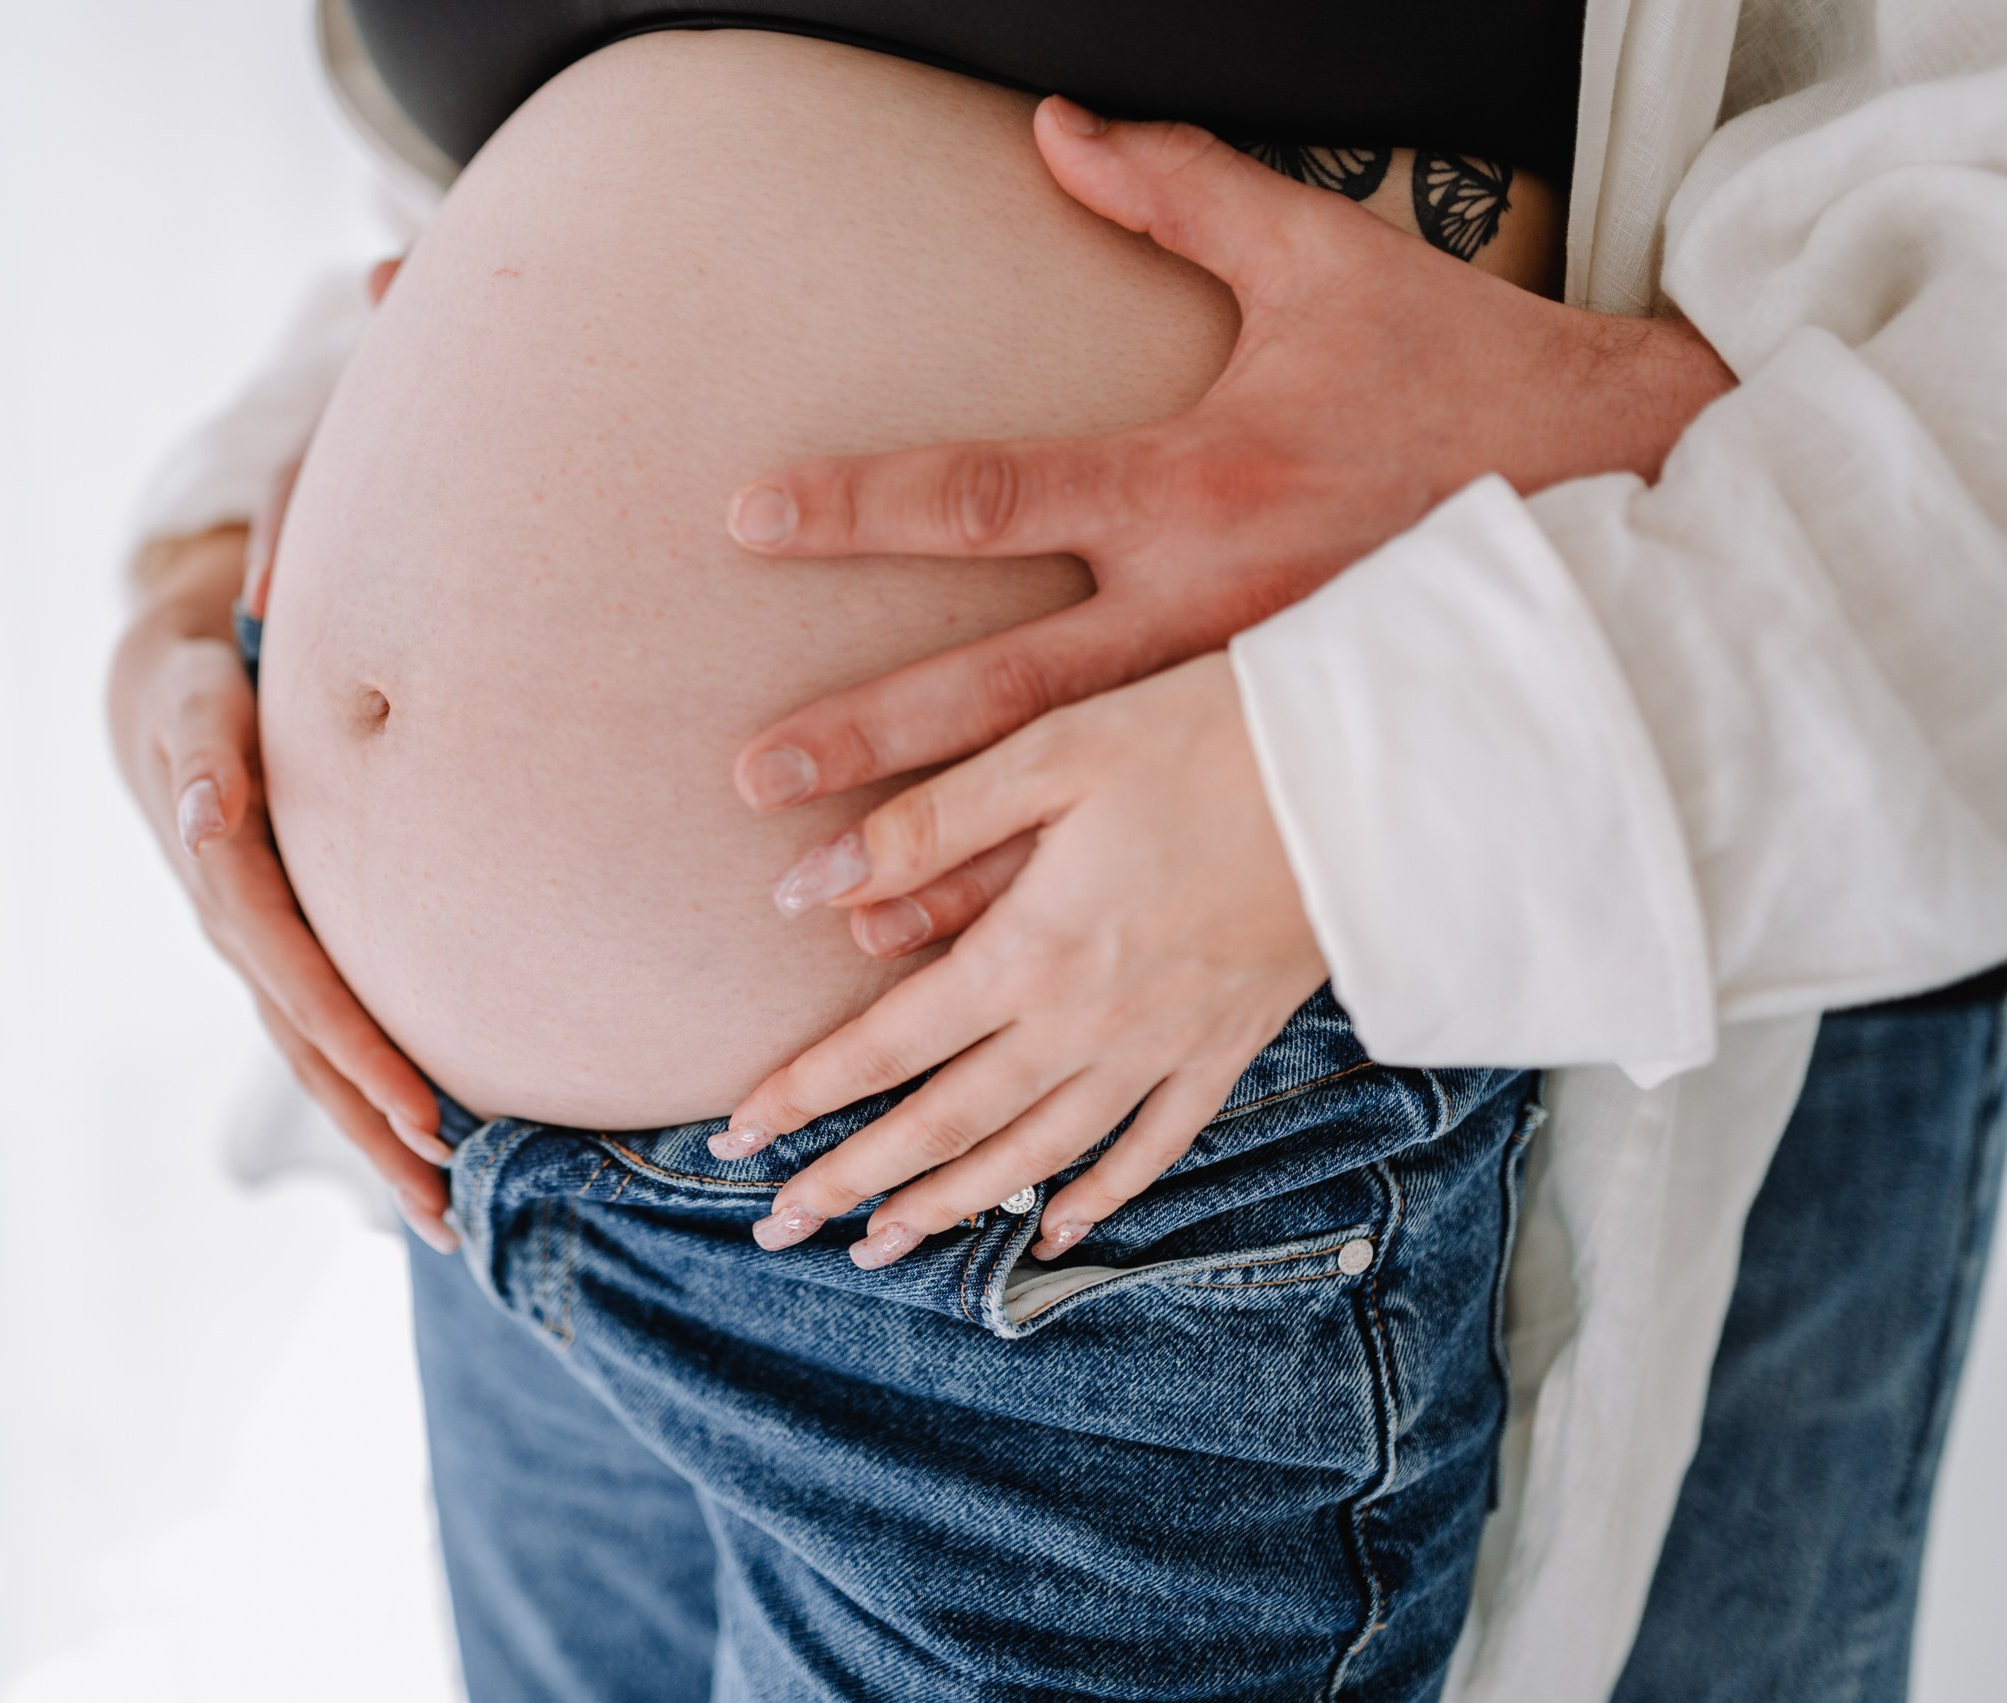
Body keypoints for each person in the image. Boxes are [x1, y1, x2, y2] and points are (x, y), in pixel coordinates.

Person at [106, 3, 2007, 1699]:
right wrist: (203, 590)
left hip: (1132, 1147)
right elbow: (471, 166)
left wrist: (1332, 772)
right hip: (471, 1179)